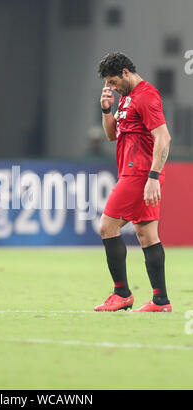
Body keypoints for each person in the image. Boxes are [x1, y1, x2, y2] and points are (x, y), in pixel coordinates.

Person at [94, 52, 172, 312]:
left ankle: (121, 293)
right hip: (135, 173)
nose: (112, 88)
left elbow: (163, 137)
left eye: (114, 82)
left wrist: (153, 177)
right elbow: (111, 135)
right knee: (147, 234)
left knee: (106, 226)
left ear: (126, 72)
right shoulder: (127, 99)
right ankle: (160, 300)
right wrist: (106, 110)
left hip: (139, 174)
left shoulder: (147, 96)